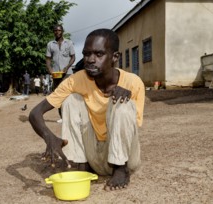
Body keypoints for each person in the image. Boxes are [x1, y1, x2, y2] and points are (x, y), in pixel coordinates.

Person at [29, 29, 145, 190]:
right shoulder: (76, 80)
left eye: (99, 54)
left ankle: (120, 170)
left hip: (125, 156)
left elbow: (132, 128)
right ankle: (81, 165)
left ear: (115, 57)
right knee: (70, 100)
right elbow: (35, 113)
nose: (90, 60)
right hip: (94, 157)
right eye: (86, 54)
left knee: (123, 101)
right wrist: (49, 137)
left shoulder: (133, 82)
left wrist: (127, 96)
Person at [46, 24, 76, 123]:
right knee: (59, 95)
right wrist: (50, 71)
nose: (57, 32)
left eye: (59, 30)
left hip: (67, 73)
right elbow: (48, 59)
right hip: (56, 74)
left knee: (68, 95)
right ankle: (63, 117)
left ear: (62, 31)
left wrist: (67, 67)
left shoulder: (69, 43)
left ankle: (71, 116)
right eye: (55, 30)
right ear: (53, 32)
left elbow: (73, 57)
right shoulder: (50, 44)